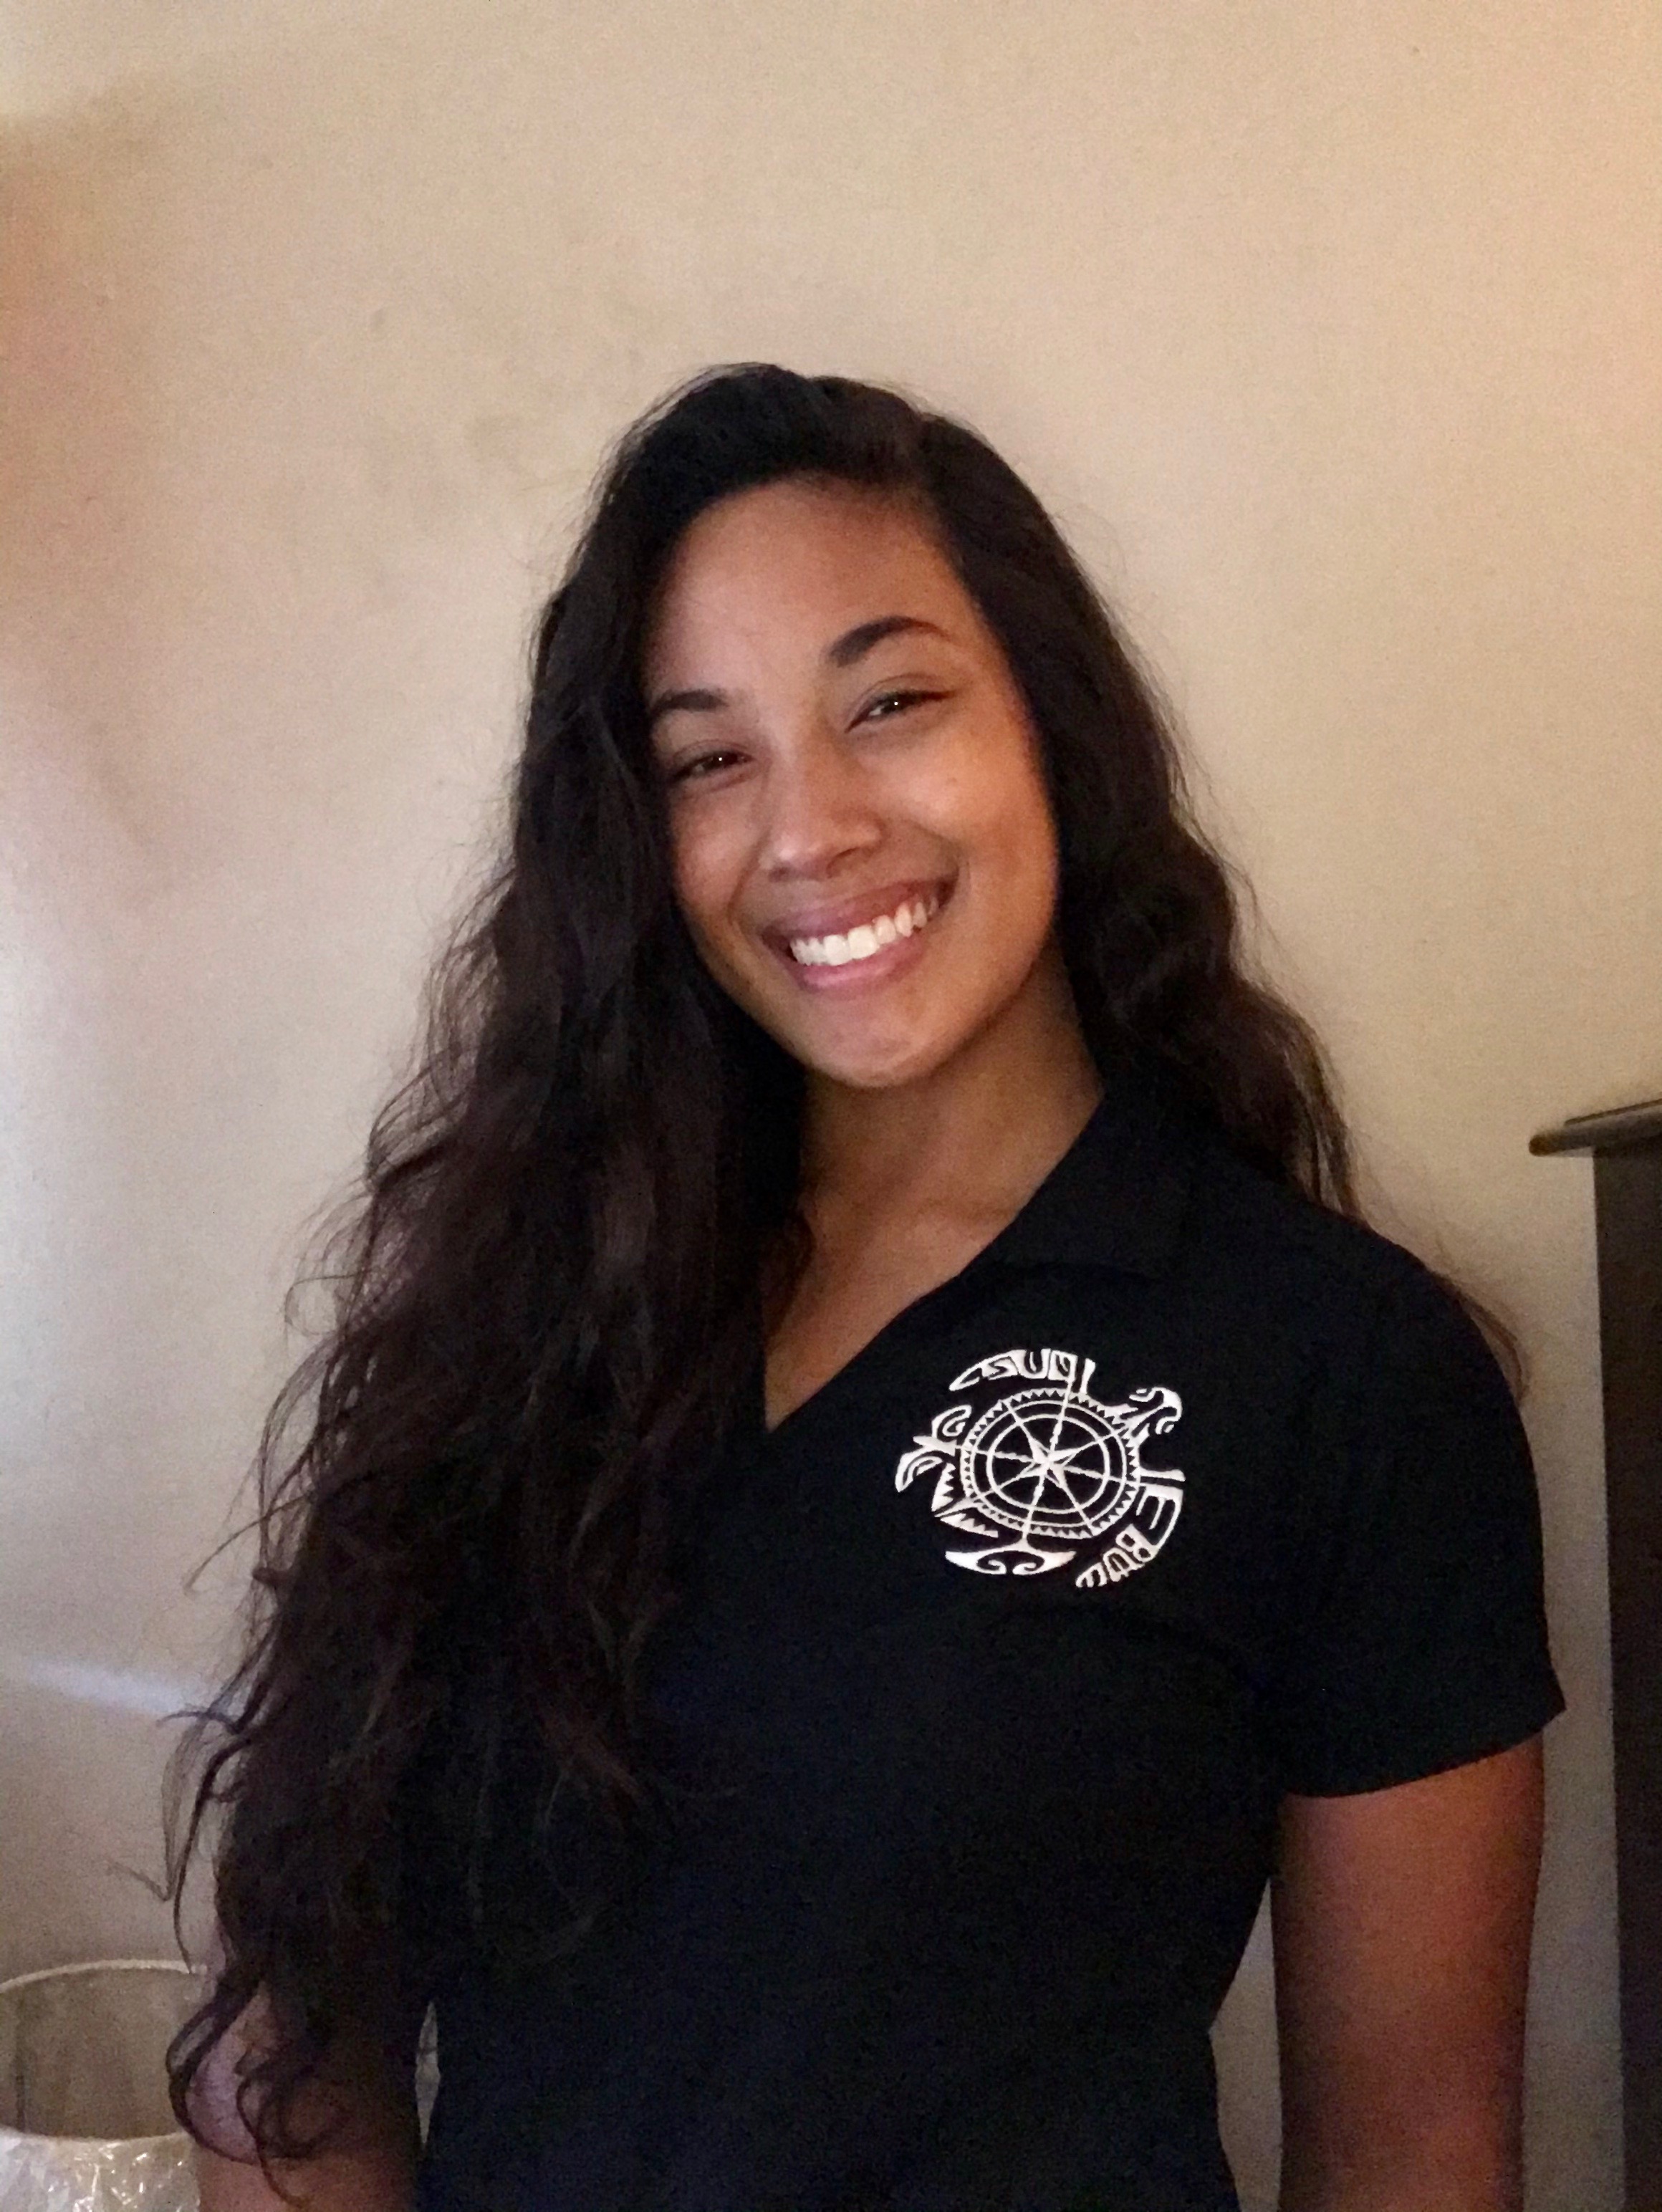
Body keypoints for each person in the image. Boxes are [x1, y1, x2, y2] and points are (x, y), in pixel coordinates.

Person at [170, 365, 1563, 2212]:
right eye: (710, 757)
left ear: (1054, 726)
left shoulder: (1339, 1372)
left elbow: (1411, 2156)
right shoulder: (517, 1316)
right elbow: (305, 2028)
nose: (810, 826)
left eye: (890, 701)